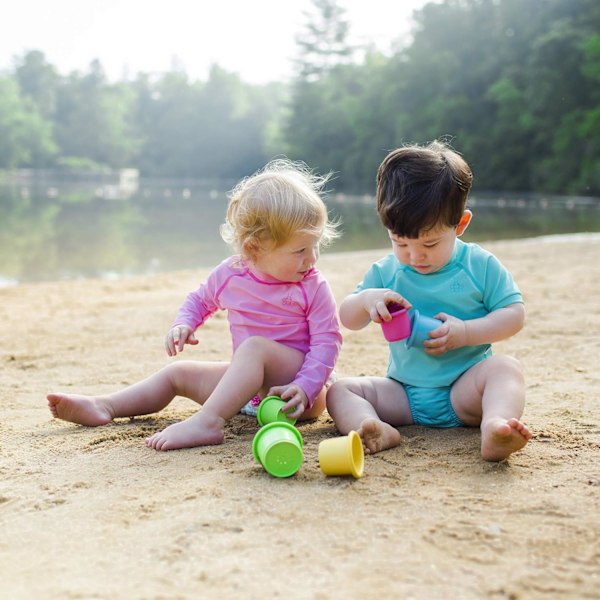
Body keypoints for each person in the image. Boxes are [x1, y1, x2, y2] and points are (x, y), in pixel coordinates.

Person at [48, 159, 342, 451]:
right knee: (177, 374)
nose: (312, 258)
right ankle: (106, 405)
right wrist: (185, 322)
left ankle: (209, 421)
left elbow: (327, 342)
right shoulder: (232, 274)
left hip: (299, 394)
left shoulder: (312, 287)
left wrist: (305, 386)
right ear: (255, 248)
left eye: (315, 245)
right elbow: (200, 299)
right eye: (300, 250)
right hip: (250, 392)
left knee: (254, 348)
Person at [326, 140, 531, 462]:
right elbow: (348, 318)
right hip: (403, 393)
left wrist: (465, 332)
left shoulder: (479, 265)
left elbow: (514, 314)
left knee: (505, 368)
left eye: (430, 243)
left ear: (460, 224)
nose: (415, 256)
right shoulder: (386, 271)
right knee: (340, 391)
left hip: (464, 389)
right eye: (401, 243)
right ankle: (377, 428)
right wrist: (367, 299)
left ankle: (495, 427)